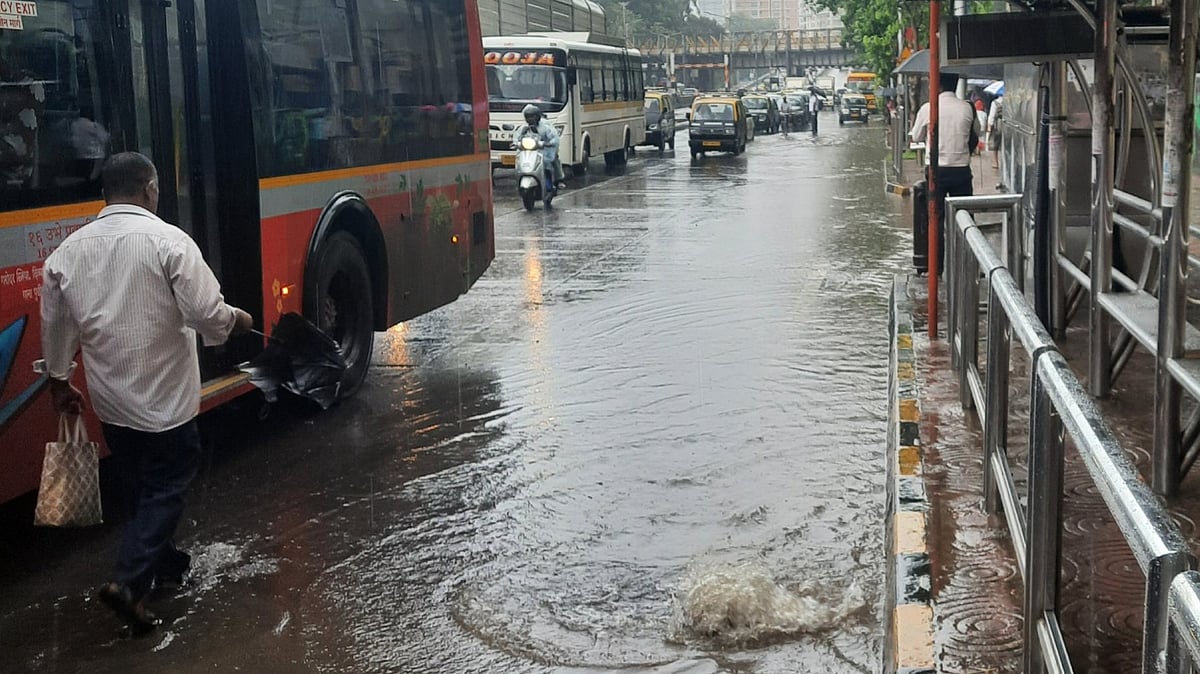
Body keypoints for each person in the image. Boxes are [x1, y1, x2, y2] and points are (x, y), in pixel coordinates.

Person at [37, 152, 254, 635]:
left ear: (105, 195)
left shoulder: (66, 254)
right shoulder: (169, 241)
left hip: (112, 401)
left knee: (141, 483)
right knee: (168, 484)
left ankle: (167, 564)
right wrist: (236, 321)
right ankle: (129, 584)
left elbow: (55, 324)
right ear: (150, 189)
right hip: (166, 403)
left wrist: (58, 380)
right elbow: (207, 313)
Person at [909, 72, 981, 274]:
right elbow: (978, 131)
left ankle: (937, 268)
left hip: (936, 172)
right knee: (965, 218)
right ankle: (967, 265)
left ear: (937, 85)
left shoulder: (928, 108)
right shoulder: (968, 107)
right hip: (961, 171)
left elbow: (916, 136)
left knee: (936, 220)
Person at [513, 104, 562, 201]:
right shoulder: (523, 129)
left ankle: (552, 185)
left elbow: (554, 139)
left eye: (532, 116)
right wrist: (516, 143)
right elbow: (516, 138)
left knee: (547, 166)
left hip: (543, 152)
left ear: (537, 116)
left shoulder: (545, 128)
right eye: (528, 117)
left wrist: (547, 143)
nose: (530, 119)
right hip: (528, 152)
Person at [987, 94, 1004, 170]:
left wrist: (989, 126)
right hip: (1007, 125)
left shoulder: (995, 102)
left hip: (998, 125)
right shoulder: (1010, 101)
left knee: (995, 144)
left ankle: (995, 162)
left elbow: (992, 115)